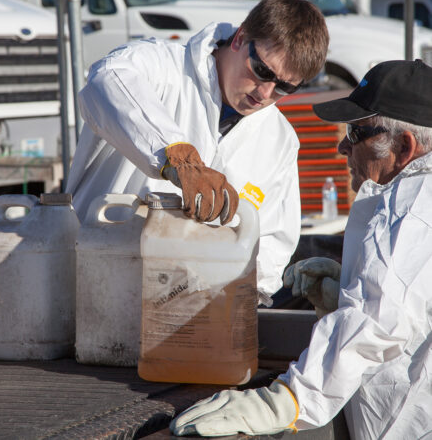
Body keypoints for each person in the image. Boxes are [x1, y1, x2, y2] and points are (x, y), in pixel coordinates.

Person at [170, 59, 432, 440]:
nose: (343, 146)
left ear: (405, 146)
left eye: (356, 133)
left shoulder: (414, 205)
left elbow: (380, 321)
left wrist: (289, 400)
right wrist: (346, 289)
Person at [66, 0, 329, 300]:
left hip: (193, 317)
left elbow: (270, 242)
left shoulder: (279, 140)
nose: (265, 93)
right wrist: (176, 157)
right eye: (262, 71)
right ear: (240, 37)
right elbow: (107, 81)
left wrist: (238, 298)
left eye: (285, 87)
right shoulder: (162, 69)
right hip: (98, 288)